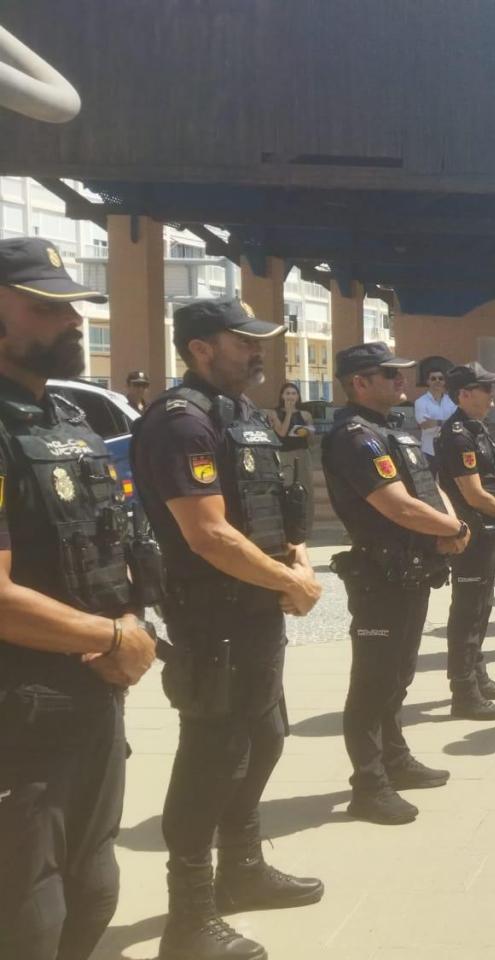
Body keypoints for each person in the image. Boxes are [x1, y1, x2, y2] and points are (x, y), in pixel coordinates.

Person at [132, 297, 324, 959]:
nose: (257, 351)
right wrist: (291, 583)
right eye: (242, 340)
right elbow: (208, 534)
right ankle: (188, 920)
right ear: (200, 348)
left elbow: (268, 507)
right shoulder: (180, 422)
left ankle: (241, 870)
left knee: (265, 735)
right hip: (212, 614)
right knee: (211, 756)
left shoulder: (239, 415)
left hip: (255, 610)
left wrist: (294, 557)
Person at [0, 238, 159, 960]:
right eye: (44, 308)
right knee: (28, 910)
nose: (69, 322)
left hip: (93, 695)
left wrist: (127, 623)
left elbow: (115, 548)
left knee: (93, 887)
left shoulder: (68, 419)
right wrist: (120, 640)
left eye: (72, 307)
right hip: (19, 713)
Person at [322, 342, 468, 827]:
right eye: (389, 373)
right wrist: (454, 530)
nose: (402, 380)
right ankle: (368, 784)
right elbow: (396, 506)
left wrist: (447, 525)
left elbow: (426, 487)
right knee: (371, 681)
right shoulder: (353, 436)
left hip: (412, 567)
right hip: (379, 574)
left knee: (399, 673)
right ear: (360, 383)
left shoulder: (393, 430)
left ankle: (395, 758)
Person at [435, 362, 495, 721]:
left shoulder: (479, 429)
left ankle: (477, 674)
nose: (492, 396)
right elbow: (473, 493)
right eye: (485, 389)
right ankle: (464, 690)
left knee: (482, 606)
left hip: (488, 534)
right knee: (467, 611)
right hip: (471, 535)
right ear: (464, 394)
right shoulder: (458, 434)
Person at [267, 381, 316, 531]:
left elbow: (312, 438)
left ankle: (306, 526)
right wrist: (288, 413)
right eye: (287, 393)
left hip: (302, 453)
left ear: (298, 396)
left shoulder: (305, 414)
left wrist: (308, 431)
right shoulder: (274, 413)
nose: (290, 396)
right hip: (284, 454)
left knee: (306, 489)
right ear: (282, 396)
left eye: (294, 393)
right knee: (285, 487)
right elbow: (281, 432)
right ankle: (286, 525)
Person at [412, 363, 456, 466]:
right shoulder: (420, 402)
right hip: (430, 450)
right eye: (433, 379)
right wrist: (448, 422)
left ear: (444, 381)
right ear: (428, 381)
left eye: (440, 378)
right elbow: (424, 424)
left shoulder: (452, 401)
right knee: (431, 481)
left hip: (450, 448)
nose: (437, 381)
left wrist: (435, 422)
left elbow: (458, 421)